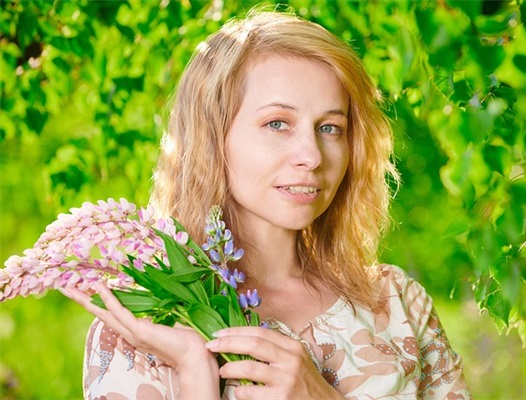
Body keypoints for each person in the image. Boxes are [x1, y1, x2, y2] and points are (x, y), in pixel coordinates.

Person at [64, 11, 472, 400]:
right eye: (277, 123)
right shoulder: (144, 324)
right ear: (212, 137)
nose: (311, 156)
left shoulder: (396, 303)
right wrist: (195, 370)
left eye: (330, 128)